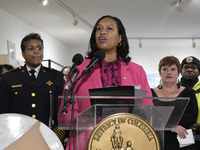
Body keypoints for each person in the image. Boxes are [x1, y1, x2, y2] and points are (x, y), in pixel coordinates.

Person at [58, 15, 153, 150]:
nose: (102, 32)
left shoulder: (136, 71)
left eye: (109, 28)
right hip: (86, 142)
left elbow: (148, 110)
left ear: (120, 38)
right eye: (99, 29)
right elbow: (65, 115)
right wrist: (89, 117)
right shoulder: (79, 69)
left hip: (125, 142)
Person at [0, 33, 65, 144]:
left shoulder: (56, 77)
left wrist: (55, 138)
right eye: (31, 48)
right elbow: (3, 113)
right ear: (23, 53)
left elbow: (62, 112)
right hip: (17, 139)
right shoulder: (9, 78)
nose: (36, 52)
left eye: (39, 48)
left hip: (48, 138)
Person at [151, 56, 198, 150]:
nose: (169, 72)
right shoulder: (150, 93)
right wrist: (171, 126)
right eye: (164, 69)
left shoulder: (189, 92)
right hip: (157, 140)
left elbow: (192, 117)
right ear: (160, 73)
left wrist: (164, 121)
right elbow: (148, 116)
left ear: (178, 73)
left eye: (173, 69)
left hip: (183, 140)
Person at [180, 56, 200, 149]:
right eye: (186, 67)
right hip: (179, 136)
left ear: (199, 71)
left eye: (193, 67)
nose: (189, 70)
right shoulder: (173, 89)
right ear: (180, 71)